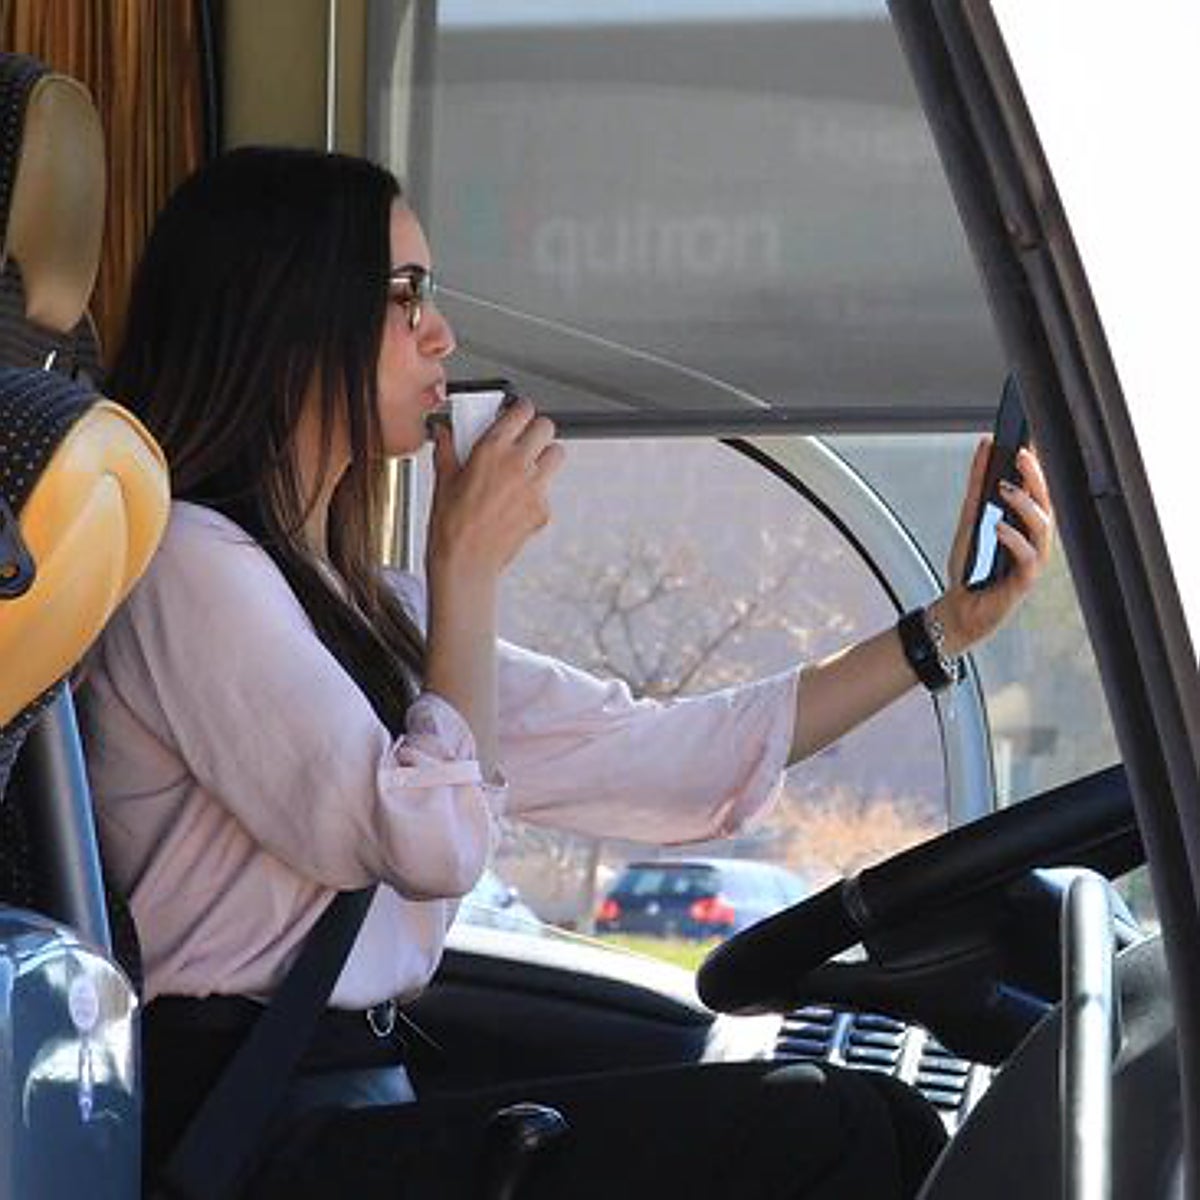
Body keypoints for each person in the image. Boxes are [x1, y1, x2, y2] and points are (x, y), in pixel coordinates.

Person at [82, 147, 1054, 1199]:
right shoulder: (187, 565)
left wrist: (942, 631)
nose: (440, 336)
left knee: (879, 1128)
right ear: (288, 314)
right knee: (832, 1133)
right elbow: (427, 841)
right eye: (403, 297)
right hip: (244, 1140)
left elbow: (663, 757)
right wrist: (469, 566)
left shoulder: (358, 605)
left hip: (346, 1108)